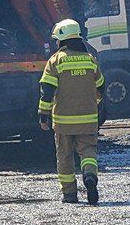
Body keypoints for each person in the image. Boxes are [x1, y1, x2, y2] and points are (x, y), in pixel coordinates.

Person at [38, 19, 105, 205]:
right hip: (88, 119)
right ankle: (90, 176)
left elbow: (47, 91)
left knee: (65, 156)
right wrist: (93, 104)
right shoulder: (90, 59)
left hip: (63, 121)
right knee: (88, 152)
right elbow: (101, 87)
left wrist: (43, 115)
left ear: (61, 39)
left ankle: (69, 194)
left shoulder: (56, 60)